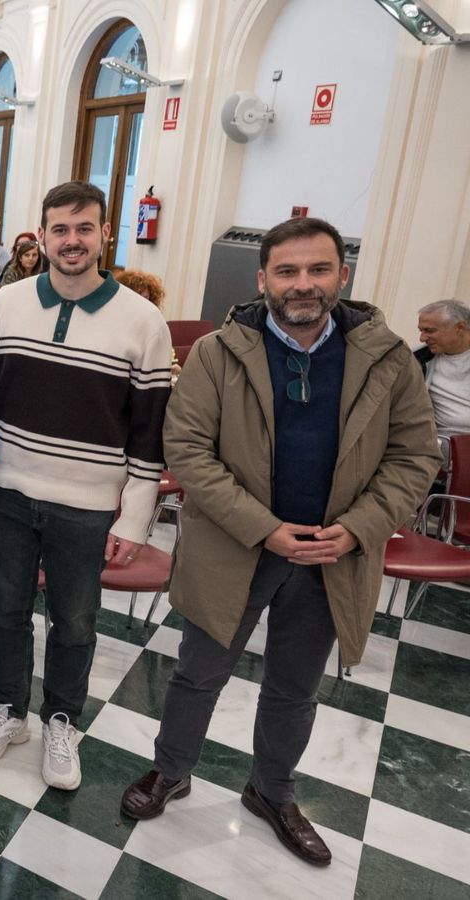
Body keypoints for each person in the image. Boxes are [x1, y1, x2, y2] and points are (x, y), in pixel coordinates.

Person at [118, 216, 438, 866]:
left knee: (294, 688)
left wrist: (358, 529)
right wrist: (266, 529)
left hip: (332, 555)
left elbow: (414, 458)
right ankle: (172, 770)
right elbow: (187, 449)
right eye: (287, 271)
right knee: (197, 674)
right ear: (262, 278)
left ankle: (272, 791)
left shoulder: (388, 358)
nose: (303, 284)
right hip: (234, 546)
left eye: (318, 270)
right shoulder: (217, 351)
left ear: (342, 276)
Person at [0, 181, 172, 790]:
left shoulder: (143, 320)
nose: (72, 240)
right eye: (60, 229)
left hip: (88, 504)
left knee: (75, 621)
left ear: (104, 233)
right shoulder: (5, 305)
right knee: (4, 610)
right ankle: (9, 709)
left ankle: (61, 720)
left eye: (84, 228)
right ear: (43, 234)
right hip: (7, 489)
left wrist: (135, 519)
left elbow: (149, 433)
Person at [417, 299, 470, 456]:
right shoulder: (417, 360)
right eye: (421, 331)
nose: (422, 338)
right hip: (435, 455)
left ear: (460, 327)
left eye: (430, 331)